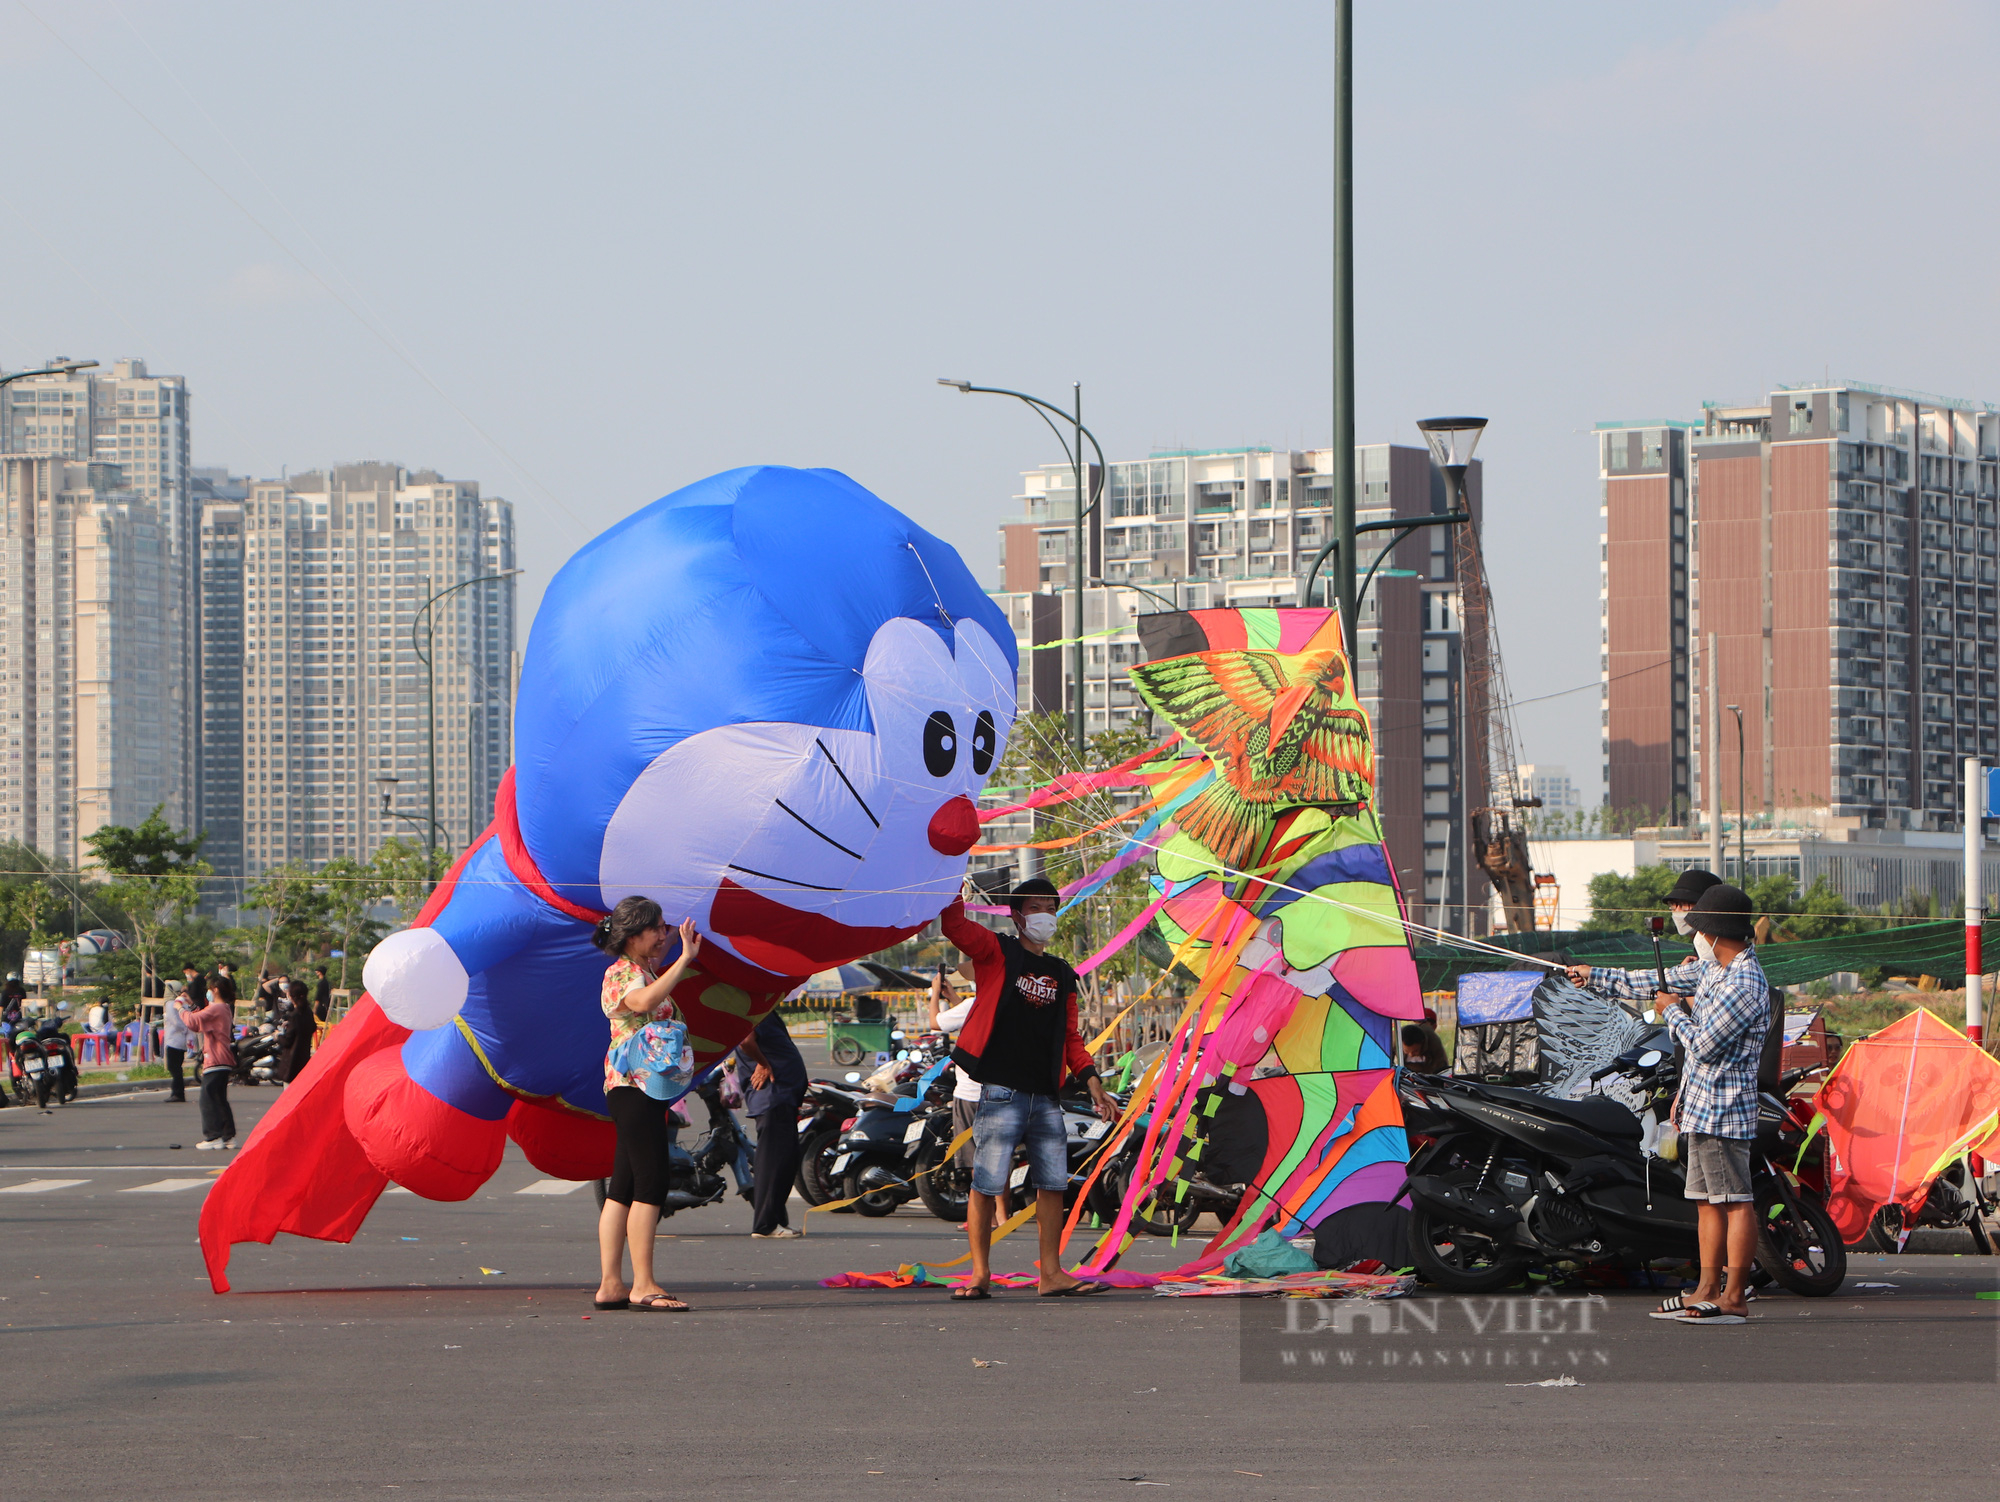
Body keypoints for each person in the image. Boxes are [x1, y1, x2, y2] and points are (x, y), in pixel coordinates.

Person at [1575, 883, 1770, 1325]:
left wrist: (1672, 1011)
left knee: (1735, 1200)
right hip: (1702, 1108)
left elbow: (1704, 1045)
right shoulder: (1713, 971)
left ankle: (1733, 1295)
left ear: (1717, 933)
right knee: (1706, 1201)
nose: (1696, 934)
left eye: (1702, 926)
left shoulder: (1742, 981)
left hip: (1724, 1109)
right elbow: (1650, 980)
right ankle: (1706, 1288)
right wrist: (1594, 974)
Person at [939, 876, 1118, 1300]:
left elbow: (1073, 1038)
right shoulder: (997, 951)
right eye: (1036, 907)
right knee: (987, 1181)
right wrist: (952, 894)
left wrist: (1093, 1082)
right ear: (1018, 916)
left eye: (1051, 907)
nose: (1045, 915)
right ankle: (980, 1275)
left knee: (1053, 1183)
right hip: (1002, 1089)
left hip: (1046, 1094)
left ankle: (1051, 1274)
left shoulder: (1061, 973)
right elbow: (955, 928)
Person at [593, 896, 703, 1313]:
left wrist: (676, 946)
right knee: (651, 1183)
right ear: (633, 934)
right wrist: (684, 960)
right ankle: (643, 1284)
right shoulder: (623, 973)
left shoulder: (641, 969)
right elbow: (640, 1003)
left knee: (621, 1188)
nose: (664, 934)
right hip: (632, 1088)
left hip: (636, 1088)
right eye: (656, 928)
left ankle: (611, 1286)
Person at [736, 1008, 808, 1239]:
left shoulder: (765, 1011)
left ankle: (777, 1219)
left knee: (785, 1160)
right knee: (773, 1162)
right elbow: (746, 1041)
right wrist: (763, 1063)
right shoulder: (755, 1009)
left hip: (782, 1097)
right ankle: (766, 1225)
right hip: (773, 1096)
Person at [927, 962, 988, 1220]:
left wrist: (934, 995)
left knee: (975, 1161)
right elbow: (970, 1015)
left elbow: (935, 1023)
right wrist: (953, 997)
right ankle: (1003, 1217)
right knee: (997, 1156)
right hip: (996, 1091)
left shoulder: (972, 1004)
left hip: (970, 1093)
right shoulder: (995, 1003)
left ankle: (981, 1218)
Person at [177, 968, 237, 1150]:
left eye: (210, 989)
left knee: (207, 1098)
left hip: (216, 1059)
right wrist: (191, 1006)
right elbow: (202, 1016)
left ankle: (213, 1136)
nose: (209, 992)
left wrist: (180, 1008)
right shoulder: (223, 1008)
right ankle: (228, 1136)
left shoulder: (217, 1008)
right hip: (223, 1059)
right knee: (219, 1099)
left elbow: (194, 1022)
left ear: (216, 990)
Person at [278, 977, 316, 1083]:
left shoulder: (294, 1015)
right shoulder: (308, 1012)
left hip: (292, 1062)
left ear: (291, 996)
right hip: (304, 1058)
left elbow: (287, 1041)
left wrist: (278, 1036)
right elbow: (311, 1027)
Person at [160, 978, 192, 1102]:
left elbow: (174, 1020)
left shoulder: (170, 1004)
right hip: (181, 1039)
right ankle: (177, 1092)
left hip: (174, 1038)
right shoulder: (183, 1002)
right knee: (177, 1066)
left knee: (173, 1067)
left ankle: (178, 1093)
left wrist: (183, 1027)